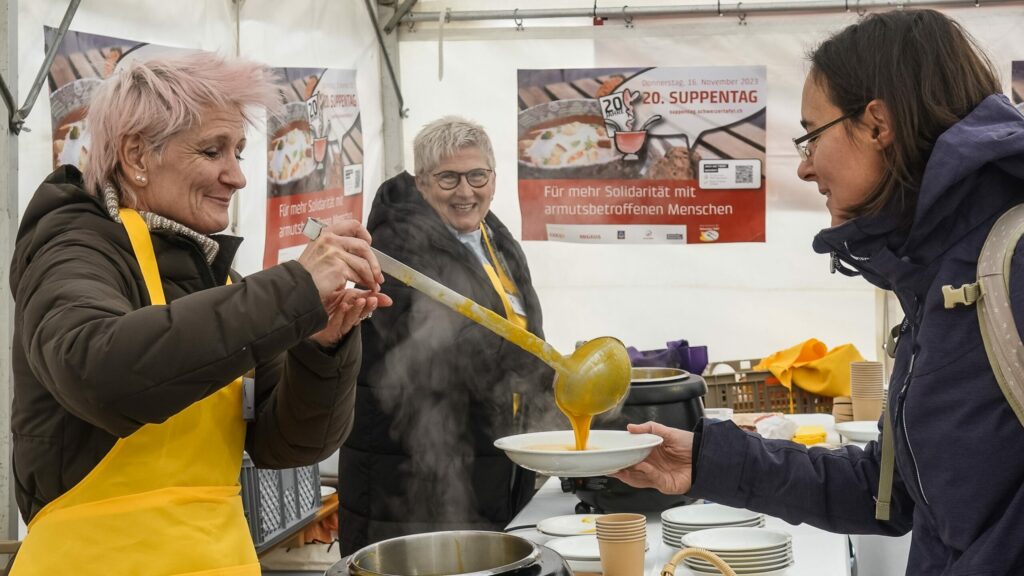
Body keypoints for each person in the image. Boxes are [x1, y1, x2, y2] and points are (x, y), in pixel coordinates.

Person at [614, 9, 1024, 575]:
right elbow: (888, 495)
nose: (804, 168)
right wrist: (707, 461)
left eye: (810, 137)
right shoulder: (932, 273)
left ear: (878, 124)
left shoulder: (1012, 258)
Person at [8, 52, 391, 575]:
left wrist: (320, 349)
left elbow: (291, 443)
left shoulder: (217, 274)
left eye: (238, 151)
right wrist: (291, 289)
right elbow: (101, 371)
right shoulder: (72, 248)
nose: (236, 177)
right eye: (213, 151)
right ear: (137, 155)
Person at [337, 117, 555, 553]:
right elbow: (434, 349)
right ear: (421, 182)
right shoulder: (395, 249)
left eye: (477, 176)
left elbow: (523, 330)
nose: (465, 191)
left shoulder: (494, 236)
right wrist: (530, 371)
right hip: (411, 473)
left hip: (487, 458)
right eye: (448, 178)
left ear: (493, 177)